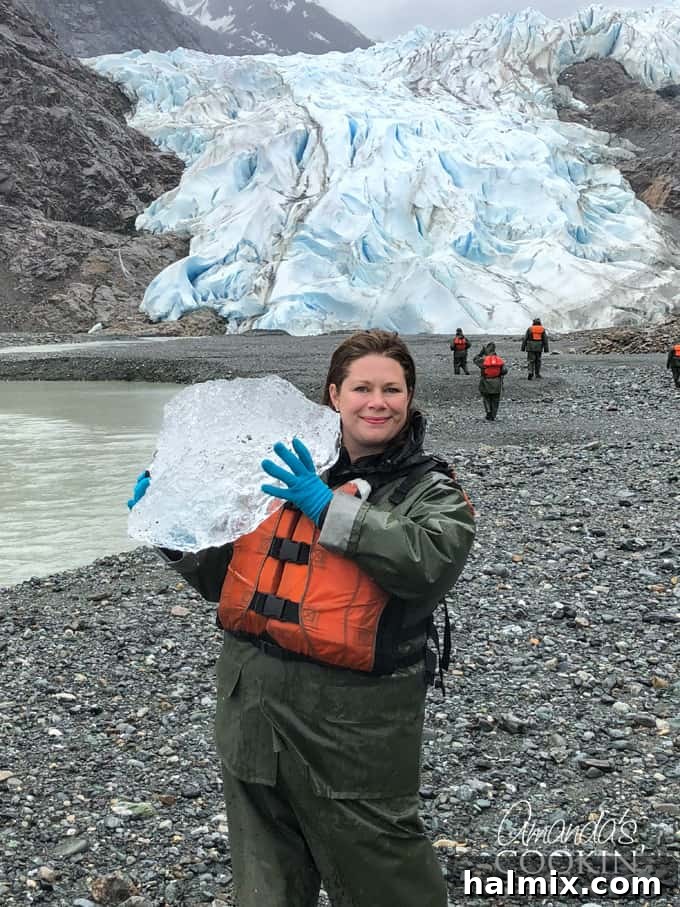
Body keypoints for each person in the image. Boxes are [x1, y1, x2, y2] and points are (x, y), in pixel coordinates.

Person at [127, 329, 476, 907]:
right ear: (334, 395)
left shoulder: (429, 491)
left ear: (409, 399)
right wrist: (172, 528)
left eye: (392, 389)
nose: (377, 402)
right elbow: (228, 580)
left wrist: (326, 507)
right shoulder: (278, 470)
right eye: (362, 387)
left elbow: (427, 563)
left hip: (354, 726)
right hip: (252, 709)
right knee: (266, 879)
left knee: (383, 872)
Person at [473, 341, 507, 421]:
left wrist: (480, 353)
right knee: (495, 400)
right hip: (497, 383)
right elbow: (505, 371)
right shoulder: (499, 360)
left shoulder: (483, 360)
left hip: (485, 382)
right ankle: (493, 415)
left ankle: (488, 411)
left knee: (486, 397)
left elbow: (475, 360)